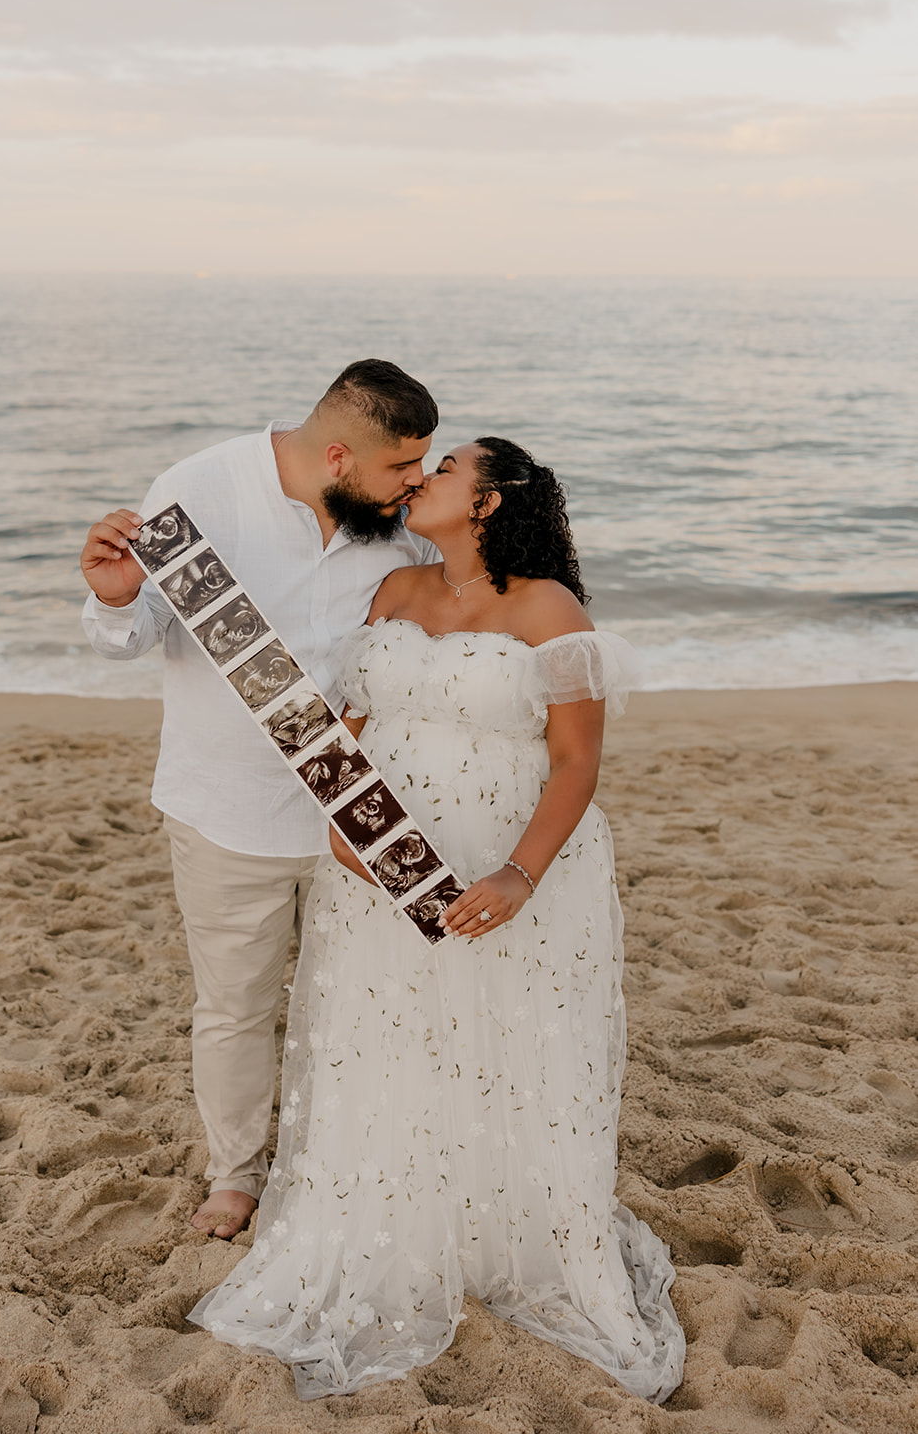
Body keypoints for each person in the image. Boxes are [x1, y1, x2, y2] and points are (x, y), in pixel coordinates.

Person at [188, 437, 686, 1404]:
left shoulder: (548, 610)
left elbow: (576, 763)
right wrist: (344, 822)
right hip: (386, 870)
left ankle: (506, 1226)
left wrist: (516, 874)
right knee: (387, 1036)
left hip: (504, 857)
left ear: (492, 501)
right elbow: (354, 730)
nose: (420, 479)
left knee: (505, 1036)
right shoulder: (394, 596)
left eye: (446, 467)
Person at [79, 360, 439, 1240]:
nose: (415, 485)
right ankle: (236, 1175)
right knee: (235, 1005)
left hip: (359, 815)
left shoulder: (404, 524)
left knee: (363, 999)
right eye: (400, 468)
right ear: (338, 454)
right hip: (225, 806)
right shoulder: (200, 486)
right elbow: (136, 635)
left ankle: (348, 1160)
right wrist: (114, 600)